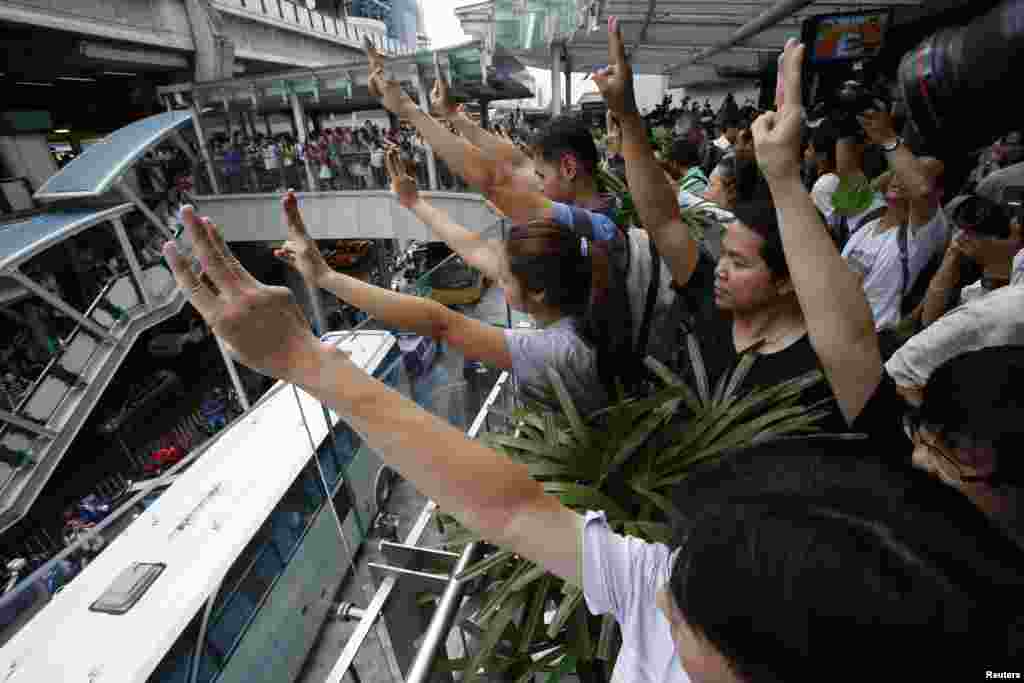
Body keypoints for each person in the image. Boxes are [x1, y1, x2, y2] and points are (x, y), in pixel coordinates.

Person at [160, 40, 1024, 683]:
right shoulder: (692, 546)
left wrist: (312, 344)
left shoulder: (608, 331)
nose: (661, 602)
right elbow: (507, 503)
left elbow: (853, 350)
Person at [273, 188, 616, 417]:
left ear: (538, 292)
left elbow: (440, 322)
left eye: (505, 278)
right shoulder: (586, 302)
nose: (497, 278)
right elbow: (474, 249)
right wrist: (413, 201)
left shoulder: (557, 349)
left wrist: (325, 277)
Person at [840, 109, 950, 331]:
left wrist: (889, 139)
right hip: (828, 330)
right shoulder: (868, 218)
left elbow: (920, 191)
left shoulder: (924, 231)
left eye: (914, 172)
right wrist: (844, 126)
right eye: (900, 170)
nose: (902, 177)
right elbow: (848, 173)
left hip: (871, 340)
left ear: (938, 194)